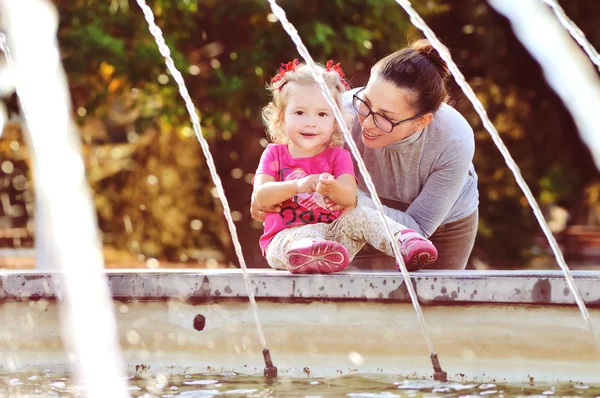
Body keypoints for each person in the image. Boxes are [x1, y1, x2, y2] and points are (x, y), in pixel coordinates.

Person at [252, 39, 479, 270]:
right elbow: (291, 156)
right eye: (366, 102)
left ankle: (405, 245)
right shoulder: (337, 114)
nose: (367, 124)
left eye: (385, 117)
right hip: (355, 210)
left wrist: (348, 197)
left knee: (439, 298)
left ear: (421, 122)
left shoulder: (454, 140)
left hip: (443, 219)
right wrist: (264, 194)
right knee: (362, 294)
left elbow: (418, 225)